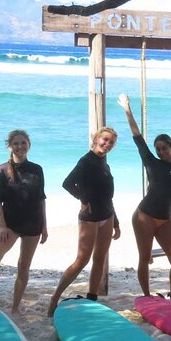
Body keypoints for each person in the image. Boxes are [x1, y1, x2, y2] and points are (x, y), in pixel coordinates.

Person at [117, 94, 171, 300]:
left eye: (164, 148)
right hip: (144, 216)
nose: (160, 152)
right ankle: (147, 296)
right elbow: (138, 138)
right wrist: (127, 109)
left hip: (165, 219)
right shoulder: (151, 162)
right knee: (145, 257)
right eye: (158, 149)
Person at [47, 127, 121, 317]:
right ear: (96, 139)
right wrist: (83, 200)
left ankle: (92, 298)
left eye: (111, 142)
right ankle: (55, 297)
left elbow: (108, 195)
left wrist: (116, 221)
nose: (107, 144)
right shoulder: (86, 161)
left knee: (100, 259)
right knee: (82, 260)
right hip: (90, 218)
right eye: (105, 140)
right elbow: (68, 183)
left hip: (107, 215)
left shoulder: (104, 163)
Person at [0, 130, 48, 315]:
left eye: (23, 143)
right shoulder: (1, 171)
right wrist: (2, 226)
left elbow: (41, 199)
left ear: (29, 145)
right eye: (16, 143)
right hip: (11, 225)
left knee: (24, 265)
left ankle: (15, 306)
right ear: (10, 146)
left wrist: (45, 226)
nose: (20, 146)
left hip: (33, 224)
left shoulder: (37, 169)